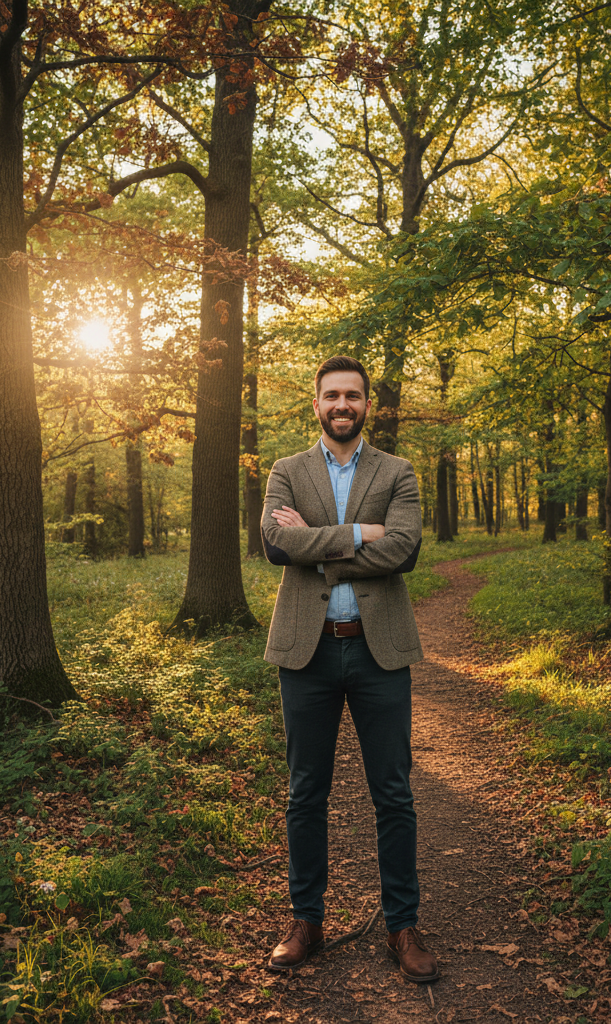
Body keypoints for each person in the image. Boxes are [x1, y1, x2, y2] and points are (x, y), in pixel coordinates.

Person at [259, 355, 438, 983]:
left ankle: (402, 926)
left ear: (368, 405)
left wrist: (322, 547)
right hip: (305, 653)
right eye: (331, 395)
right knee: (305, 792)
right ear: (316, 404)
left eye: (352, 396)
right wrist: (360, 531)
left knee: (393, 793)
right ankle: (306, 920)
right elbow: (276, 545)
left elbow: (405, 550)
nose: (342, 405)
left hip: (378, 649)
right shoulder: (286, 471)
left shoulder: (398, 471)